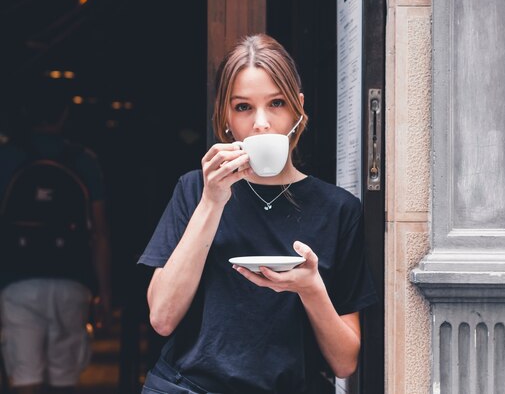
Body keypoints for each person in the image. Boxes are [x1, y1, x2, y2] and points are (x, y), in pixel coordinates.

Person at [139, 34, 377, 394]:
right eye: (243, 107)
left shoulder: (338, 209)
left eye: (276, 103)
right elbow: (162, 318)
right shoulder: (194, 190)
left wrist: (311, 288)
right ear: (226, 116)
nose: (261, 123)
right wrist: (213, 201)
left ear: (298, 109)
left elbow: (345, 361)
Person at [0, 85, 112, 394]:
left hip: (17, 280)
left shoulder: (7, 157)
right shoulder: (83, 161)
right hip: (71, 279)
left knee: (25, 376)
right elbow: (99, 232)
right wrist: (103, 292)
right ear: (64, 115)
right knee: (64, 378)